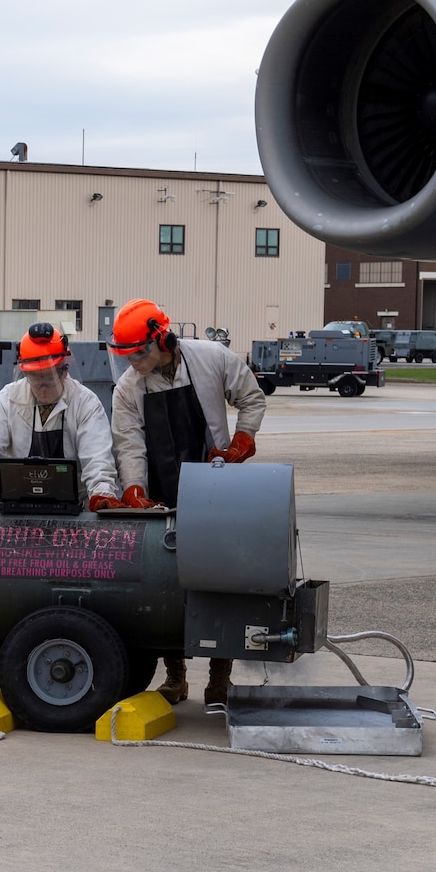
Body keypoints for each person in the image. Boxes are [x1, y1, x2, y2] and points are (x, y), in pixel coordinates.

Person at [107, 298, 267, 706]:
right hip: (164, 497)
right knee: (166, 589)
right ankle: (176, 678)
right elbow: (129, 446)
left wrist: (243, 439)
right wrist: (134, 490)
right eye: (126, 356)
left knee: (220, 587)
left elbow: (252, 398)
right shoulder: (128, 388)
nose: (134, 363)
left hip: (217, 492)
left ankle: (220, 679)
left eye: (139, 353)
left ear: (165, 338)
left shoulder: (212, 358)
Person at [0, 322, 120, 510]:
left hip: (74, 512)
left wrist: (102, 494)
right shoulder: (7, 399)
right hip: (14, 510)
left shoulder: (85, 403)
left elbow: (97, 461)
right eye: (36, 379)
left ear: (64, 371)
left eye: (49, 379)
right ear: (25, 373)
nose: (43, 388)